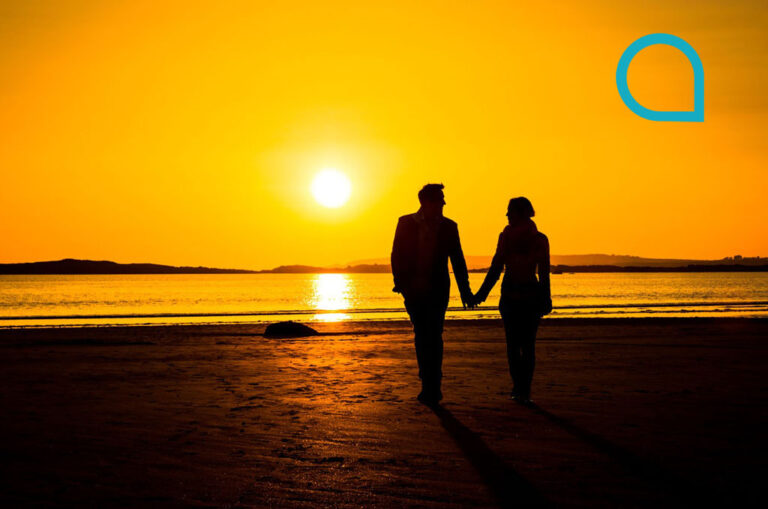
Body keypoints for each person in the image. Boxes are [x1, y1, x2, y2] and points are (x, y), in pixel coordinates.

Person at [391, 184, 475, 405]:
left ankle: (433, 385)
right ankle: (426, 381)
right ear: (425, 202)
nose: (444, 203)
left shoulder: (449, 227)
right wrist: (400, 283)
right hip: (414, 291)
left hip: (438, 290)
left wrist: (465, 290)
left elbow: (457, 259)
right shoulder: (405, 223)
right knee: (421, 335)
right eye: (440, 199)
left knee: (434, 336)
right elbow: (396, 254)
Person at [474, 197, 551, 405]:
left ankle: (523, 389)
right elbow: (496, 267)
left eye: (510, 211)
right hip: (511, 298)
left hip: (527, 299)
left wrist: (546, 299)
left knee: (524, 346)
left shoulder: (539, 240)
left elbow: (544, 272)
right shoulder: (507, 237)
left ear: (521, 213)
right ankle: (520, 388)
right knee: (516, 346)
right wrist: (481, 294)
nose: (507, 215)